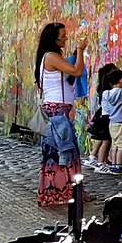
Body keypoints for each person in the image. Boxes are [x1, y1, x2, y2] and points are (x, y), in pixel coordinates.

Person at [34, 22, 87, 207]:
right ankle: (57, 190)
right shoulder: (51, 56)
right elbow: (76, 71)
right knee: (61, 152)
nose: (65, 38)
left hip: (60, 108)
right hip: (57, 109)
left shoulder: (51, 57)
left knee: (65, 150)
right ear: (53, 39)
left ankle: (66, 189)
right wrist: (80, 50)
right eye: (62, 36)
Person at [94, 64, 122, 173]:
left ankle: (114, 164)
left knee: (115, 144)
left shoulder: (107, 93)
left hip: (112, 122)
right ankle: (118, 165)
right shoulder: (121, 92)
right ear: (121, 80)